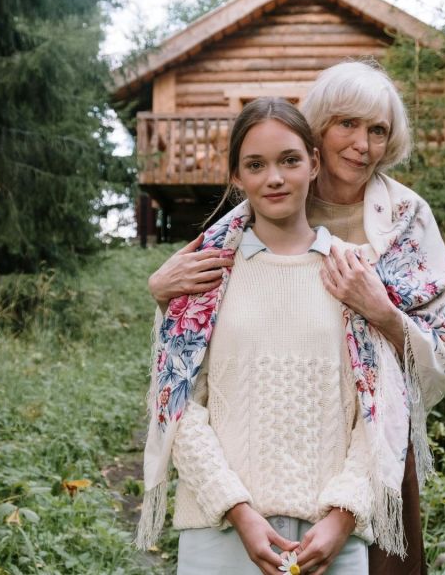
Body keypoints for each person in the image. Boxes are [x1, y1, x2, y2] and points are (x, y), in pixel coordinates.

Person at [146, 61, 445, 574]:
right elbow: (195, 333)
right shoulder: (264, 205)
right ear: (317, 134)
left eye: (377, 130)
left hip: (370, 439)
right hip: (256, 447)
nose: (362, 144)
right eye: (347, 124)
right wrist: (160, 293)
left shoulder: (405, 219)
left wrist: (381, 311)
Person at [137, 97, 384, 575]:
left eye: (289, 160)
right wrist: (237, 509)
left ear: (314, 163)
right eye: (255, 165)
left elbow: (379, 409)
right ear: (237, 176)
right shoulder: (204, 274)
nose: (274, 178)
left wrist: (343, 514)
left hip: (329, 539)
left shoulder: (354, 271)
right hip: (221, 534)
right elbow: (178, 403)